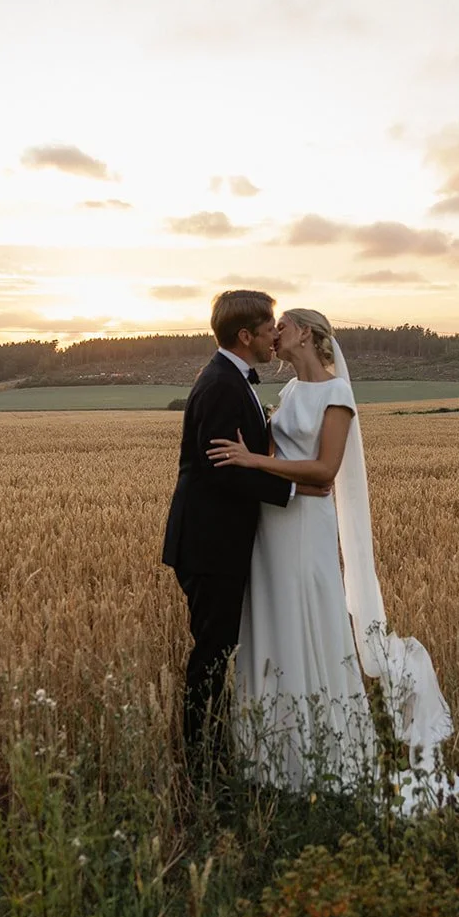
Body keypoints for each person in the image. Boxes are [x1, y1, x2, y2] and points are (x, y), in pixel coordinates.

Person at [207, 308, 459, 810]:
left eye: (282, 325)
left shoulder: (337, 394)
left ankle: (324, 761)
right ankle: (274, 759)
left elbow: (326, 470)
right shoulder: (287, 394)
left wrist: (254, 460)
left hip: (305, 531)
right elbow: (301, 474)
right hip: (273, 528)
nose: (273, 332)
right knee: (275, 626)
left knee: (309, 623)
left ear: (305, 332)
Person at [161, 290, 330, 776]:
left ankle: (211, 750)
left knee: (217, 649)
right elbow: (221, 470)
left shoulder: (230, 380)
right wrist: (297, 493)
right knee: (211, 653)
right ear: (245, 335)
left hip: (219, 541)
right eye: (267, 328)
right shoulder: (219, 385)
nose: (273, 336)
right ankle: (200, 761)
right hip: (210, 544)